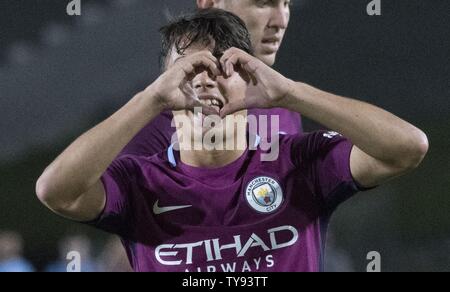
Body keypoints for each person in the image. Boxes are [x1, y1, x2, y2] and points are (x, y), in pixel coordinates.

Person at [36, 9, 428, 272]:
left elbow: (408, 147)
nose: (205, 80)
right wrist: (148, 100)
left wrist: (290, 92)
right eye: (189, 69)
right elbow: (56, 191)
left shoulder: (299, 163)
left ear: (249, 75)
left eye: (223, 65)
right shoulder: (138, 181)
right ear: (165, 87)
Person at [120, 0, 301, 157]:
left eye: (287, 3)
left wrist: (292, 94)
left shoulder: (284, 105)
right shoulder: (154, 124)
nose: (281, 21)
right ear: (209, 3)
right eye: (263, 3)